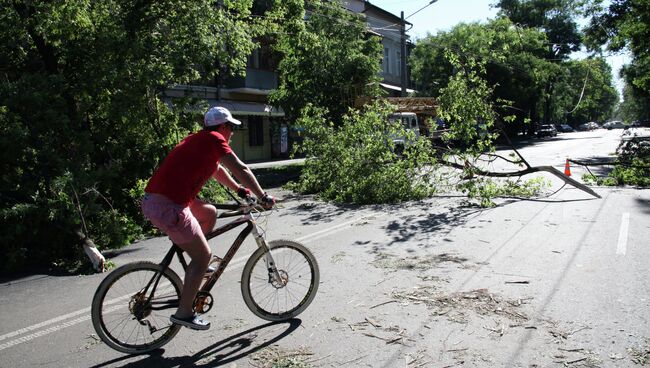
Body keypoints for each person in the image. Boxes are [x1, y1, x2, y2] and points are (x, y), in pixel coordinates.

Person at [141, 106, 275, 330]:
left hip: (158, 200)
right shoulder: (214, 139)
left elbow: (216, 170)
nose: (232, 132)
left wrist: (239, 190)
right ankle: (184, 312)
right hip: (168, 205)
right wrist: (263, 196)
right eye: (231, 128)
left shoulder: (199, 139)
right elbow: (241, 168)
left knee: (209, 212)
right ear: (222, 127)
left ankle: (195, 264)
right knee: (204, 256)